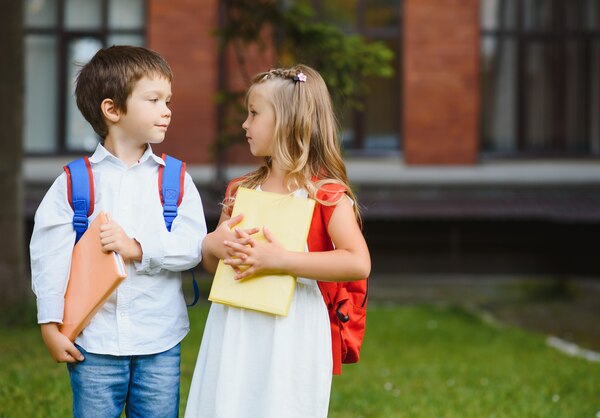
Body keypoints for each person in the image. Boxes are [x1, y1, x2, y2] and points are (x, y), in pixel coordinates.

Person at [30, 45, 207, 418]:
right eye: (154, 99)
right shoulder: (75, 183)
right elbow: (49, 259)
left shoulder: (174, 180)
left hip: (159, 341)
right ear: (112, 110)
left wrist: (138, 248)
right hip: (94, 344)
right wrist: (50, 325)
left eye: (168, 100)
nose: (167, 110)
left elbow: (193, 247)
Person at [185, 64, 371, 418]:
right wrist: (213, 246)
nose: (245, 124)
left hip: (292, 330)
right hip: (234, 324)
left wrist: (280, 260)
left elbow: (357, 261)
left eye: (254, 114)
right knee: (226, 401)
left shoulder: (325, 195)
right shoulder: (241, 190)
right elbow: (213, 264)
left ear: (287, 122)